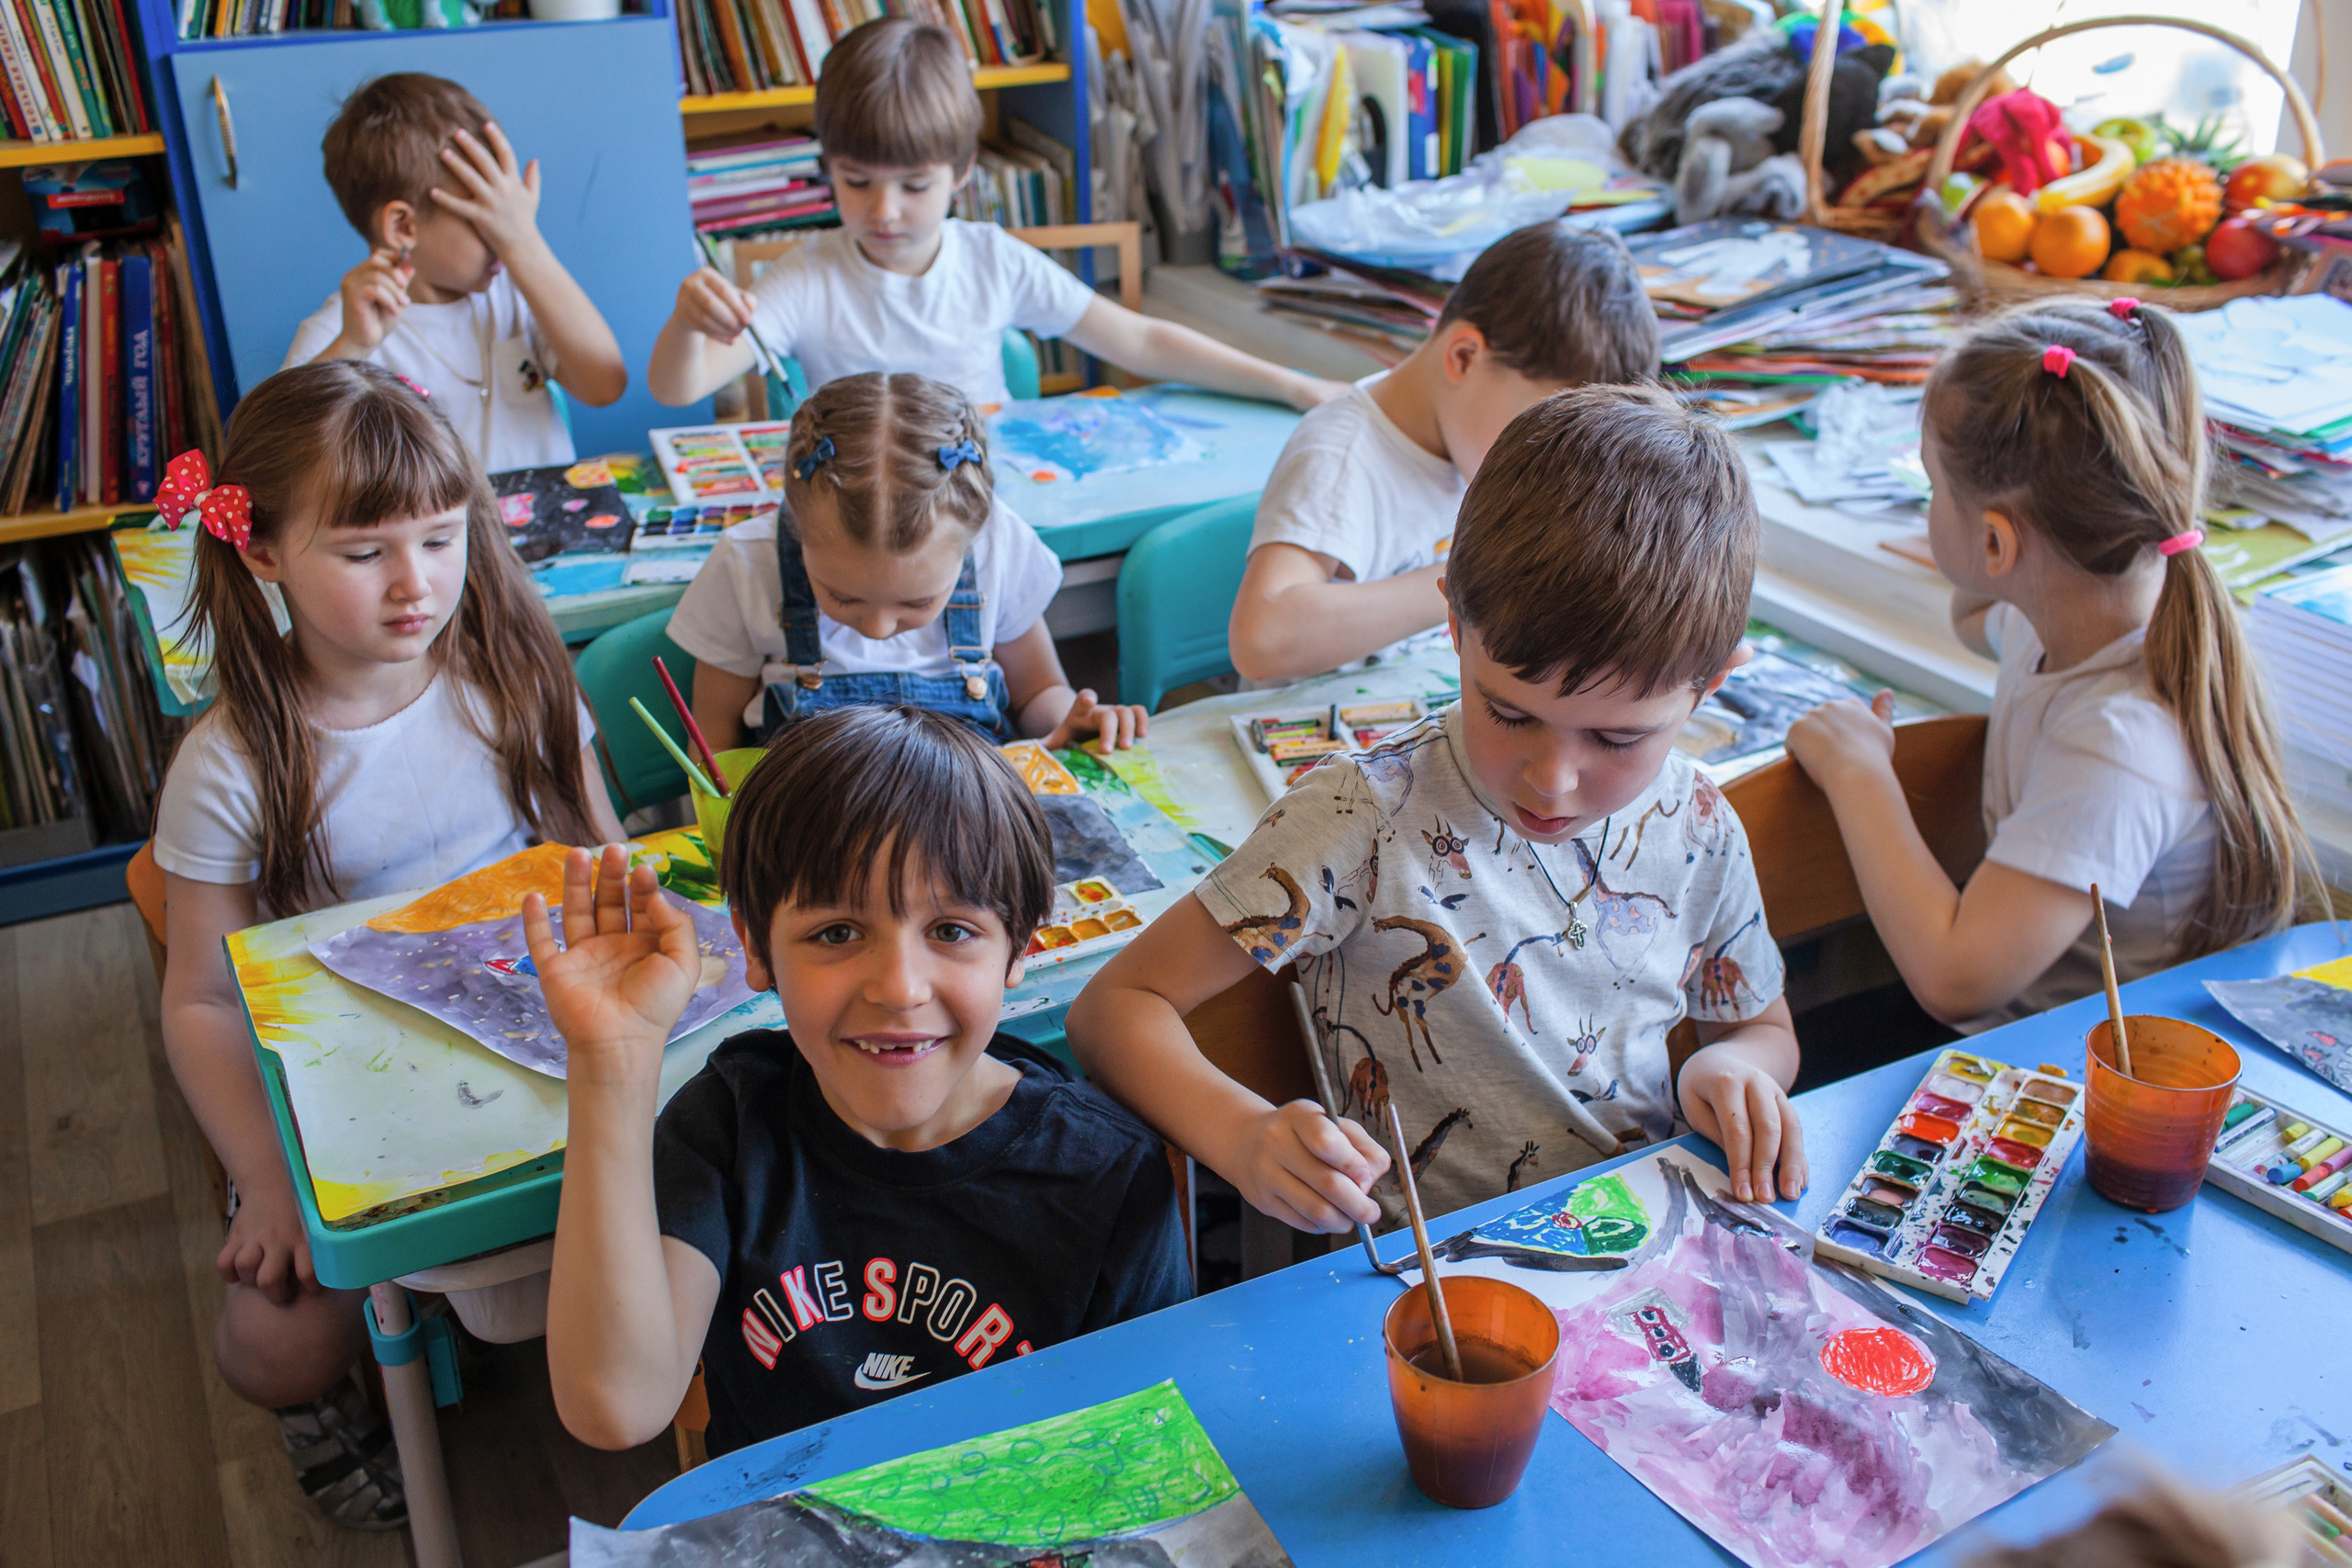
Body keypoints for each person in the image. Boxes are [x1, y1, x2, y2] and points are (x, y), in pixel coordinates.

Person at [1069, 385, 1805, 1233]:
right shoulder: (1363, 812)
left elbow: (1761, 1028)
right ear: (1454, 625)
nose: (1553, 778)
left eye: (1615, 739)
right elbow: (1112, 1010)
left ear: (1710, 684)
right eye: (1511, 713)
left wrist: (1740, 1070)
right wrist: (1240, 1134)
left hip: (1638, 1238)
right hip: (1425, 1291)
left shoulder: (1702, 823)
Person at [151, 360, 625, 1528]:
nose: (415, 585)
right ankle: (329, 1408)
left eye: (441, 539)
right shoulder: (233, 762)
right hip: (351, 1087)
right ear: (261, 552)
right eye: (364, 554)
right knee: (273, 1340)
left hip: (536, 1038)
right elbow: (205, 1005)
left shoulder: (517, 677)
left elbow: (603, 861)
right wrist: (264, 1182)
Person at [537, 705, 1191, 1455]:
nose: (900, 987)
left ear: (1019, 949)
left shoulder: (1106, 1174)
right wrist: (610, 1061)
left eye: (951, 931)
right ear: (756, 945)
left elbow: (1146, 1452)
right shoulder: (727, 1126)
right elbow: (616, 1406)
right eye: (837, 933)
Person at [1784, 299, 2315, 1047]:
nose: (1928, 503)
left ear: (2001, 544)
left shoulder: (2120, 741)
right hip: (2021, 1036)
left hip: (2065, 1073)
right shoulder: (2075, 619)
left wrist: (1858, 770)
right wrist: (1971, 524)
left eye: (1933, 487)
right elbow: (1978, 618)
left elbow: (1952, 978)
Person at [645, 18, 1349, 413]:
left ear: (962, 174)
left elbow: (1140, 341)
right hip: (861, 534)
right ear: (827, 166)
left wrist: (1292, 382)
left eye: (915, 185)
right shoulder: (808, 276)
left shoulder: (990, 258)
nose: (883, 210)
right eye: (855, 181)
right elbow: (678, 387)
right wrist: (686, 321)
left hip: (980, 508)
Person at [1227, 222, 1662, 684]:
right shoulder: (1340, 457)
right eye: (1538, 428)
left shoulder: (1467, 441)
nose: (1550, 462)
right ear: (1464, 357)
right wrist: (1481, 578)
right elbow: (1262, 641)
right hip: (1312, 745)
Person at [667, 371, 1148, 750]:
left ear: (973, 538)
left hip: (970, 827)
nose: (877, 628)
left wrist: (1075, 716)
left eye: (917, 601)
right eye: (842, 596)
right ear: (797, 527)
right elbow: (713, 737)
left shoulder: (999, 546)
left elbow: (1037, 693)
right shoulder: (746, 565)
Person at [286, 73, 628, 473]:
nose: (507, 235)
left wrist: (525, 244)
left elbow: (606, 384)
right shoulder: (344, 330)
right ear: (403, 228)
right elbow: (287, 461)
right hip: (435, 535)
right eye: (489, 219)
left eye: (512, 216)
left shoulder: (515, 290)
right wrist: (351, 346)